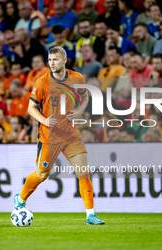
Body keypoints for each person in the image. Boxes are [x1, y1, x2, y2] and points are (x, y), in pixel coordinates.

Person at [14, 46, 105, 225]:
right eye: (50, 60)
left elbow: (85, 97)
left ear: (64, 60)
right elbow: (31, 108)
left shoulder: (76, 78)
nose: (52, 63)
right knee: (42, 174)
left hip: (71, 134)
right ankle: (21, 198)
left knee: (83, 172)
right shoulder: (42, 82)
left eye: (55, 60)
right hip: (49, 137)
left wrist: (79, 111)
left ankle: (90, 215)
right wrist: (44, 120)